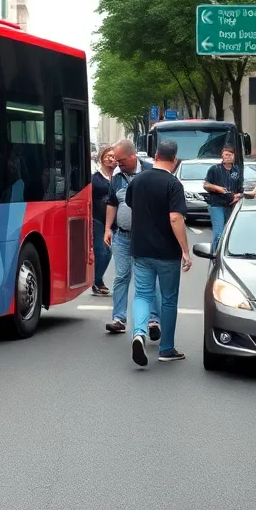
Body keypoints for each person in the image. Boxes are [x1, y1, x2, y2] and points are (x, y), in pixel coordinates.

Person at [125, 138, 192, 366]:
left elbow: (131, 204)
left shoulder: (138, 180)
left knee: (143, 294)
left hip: (141, 249)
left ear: (155, 156)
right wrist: (185, 249)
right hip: (166, 253)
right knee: (169, 300)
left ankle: (138, 333)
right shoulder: (173, 185)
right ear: (174, 160)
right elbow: (175, 218)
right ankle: (166, 349)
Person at [102, 140, 161, 338]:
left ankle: (153, 320)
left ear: (133, 157)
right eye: (116, 161)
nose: (117, 164)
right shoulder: (117, 177)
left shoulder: (151, 172)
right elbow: (112, 203)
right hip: (122, 236)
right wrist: (108, 228)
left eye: (121, 160)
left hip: (146, 237)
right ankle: (119, 319)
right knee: (121, 277)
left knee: (147, 280)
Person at [202, 145, 242, 250]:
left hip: (231, 205)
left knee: (229, 232)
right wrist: (217, 188)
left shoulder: (236, 170)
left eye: (230, 155)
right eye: (226, 155)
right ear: (222, 156)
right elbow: (205, 184)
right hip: (216, 204)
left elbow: (240, 189)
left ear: (234, 156)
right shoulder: (214, 169)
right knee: (218, 233)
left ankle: (227, 253)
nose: (228, 157)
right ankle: (215, 254)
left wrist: (238, 196)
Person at [91, 145, 116, 296]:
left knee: (108, 252)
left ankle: (97, 281)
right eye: (107, 155)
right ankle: (96, 281)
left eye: (113, 156)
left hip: (113, 220)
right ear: (101, 158)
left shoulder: (118, 178)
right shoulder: (95, 178)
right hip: (97, 219)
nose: (110, 158)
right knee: (103, 251)